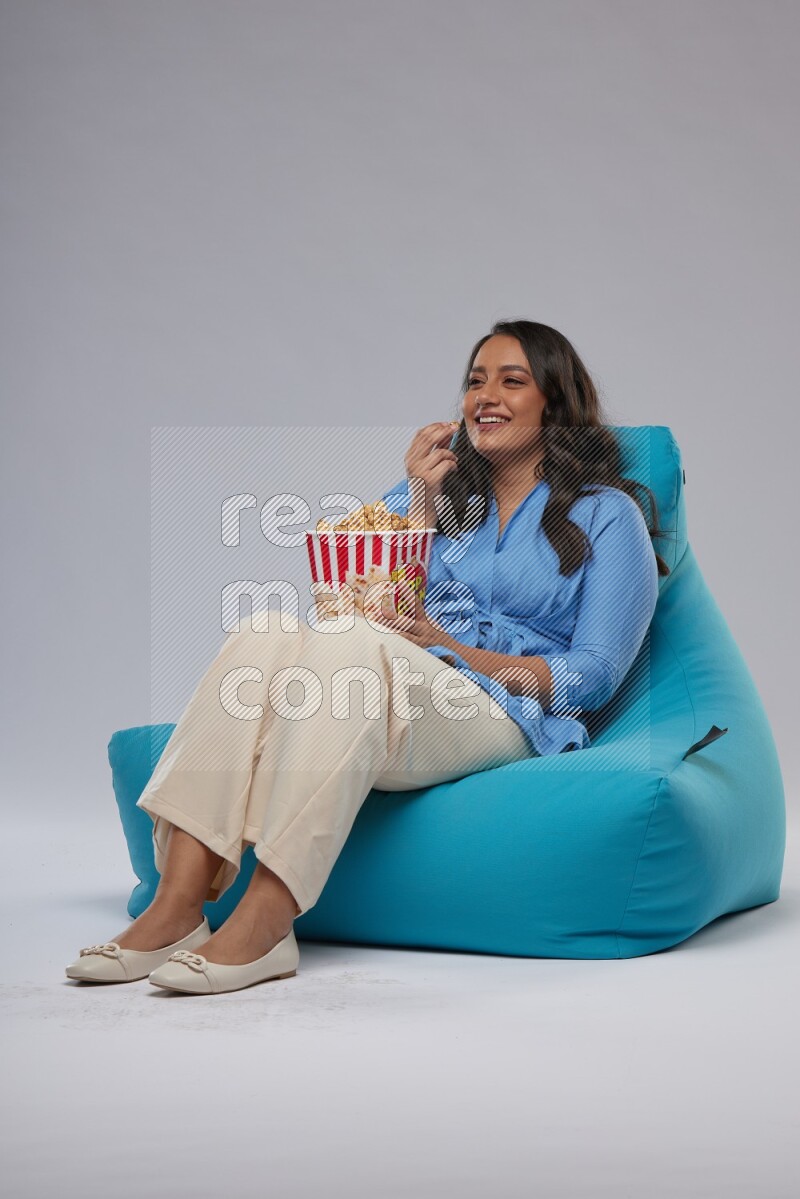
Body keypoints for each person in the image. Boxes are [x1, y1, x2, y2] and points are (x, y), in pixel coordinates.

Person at [65, 320, 669, 994]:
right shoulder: (432, 499)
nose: (484, 397)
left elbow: (594, 674)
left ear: (554, 403)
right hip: (385, 690)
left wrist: (450, 646)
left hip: (506, 715)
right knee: (266, 628)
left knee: (349, 644)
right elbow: (356, 599)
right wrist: (418, 498)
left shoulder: (606, 516)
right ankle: (175, 905)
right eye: (474, 381)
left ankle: (270, 915)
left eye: (511, 380)